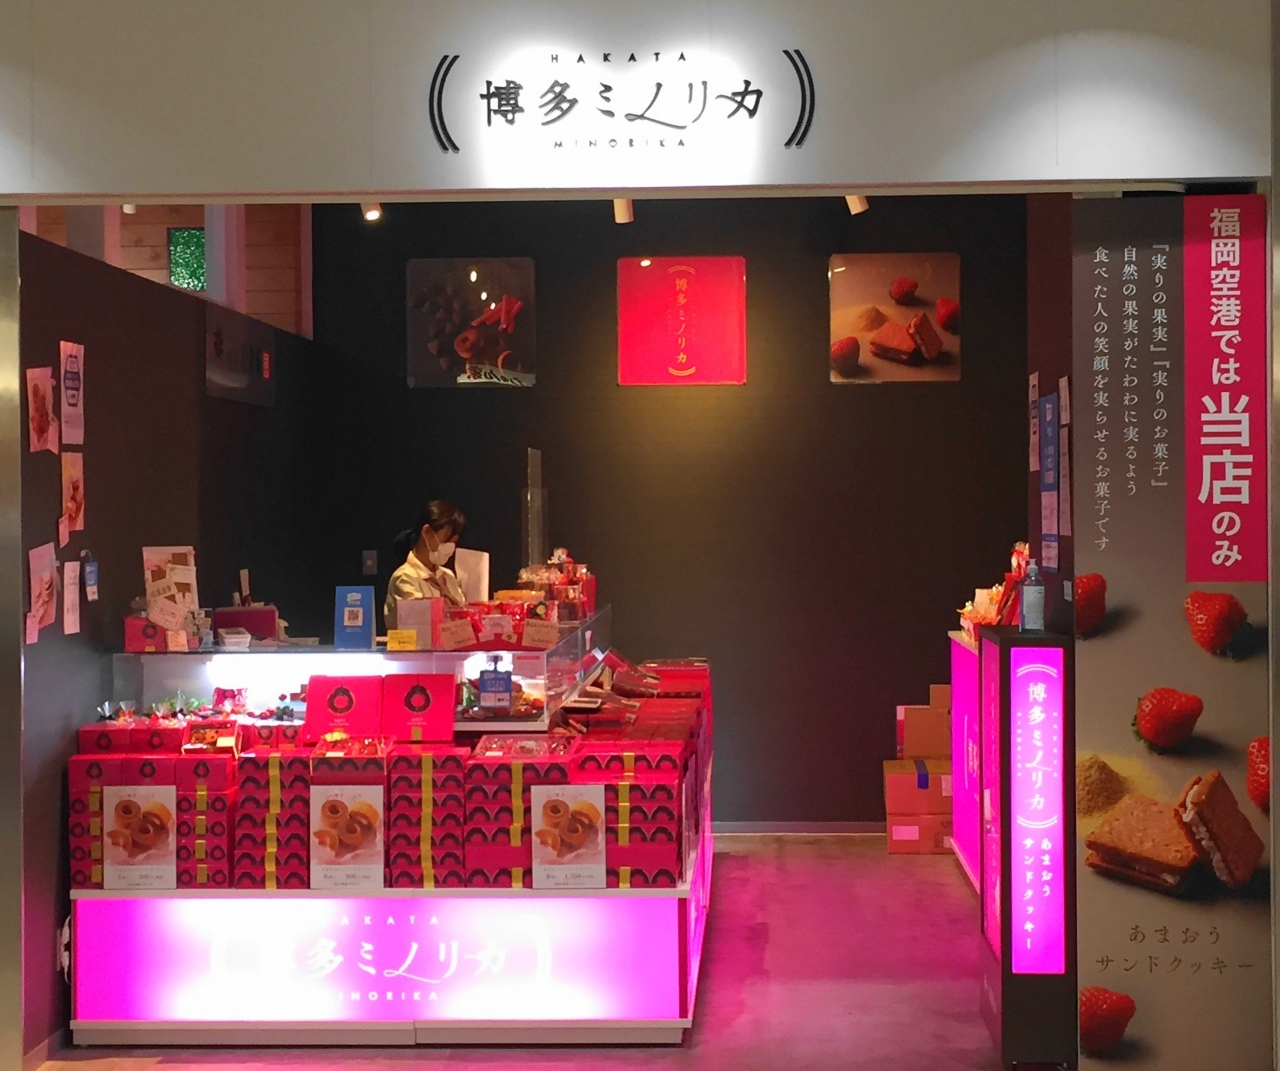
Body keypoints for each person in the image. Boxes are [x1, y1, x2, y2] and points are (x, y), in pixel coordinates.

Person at [384, 500, 467, 628]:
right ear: (426, 532)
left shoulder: (448, 576)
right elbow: (420, 625)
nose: (450, 546)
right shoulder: (405, 577)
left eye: (454, 541)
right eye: (445, 539)